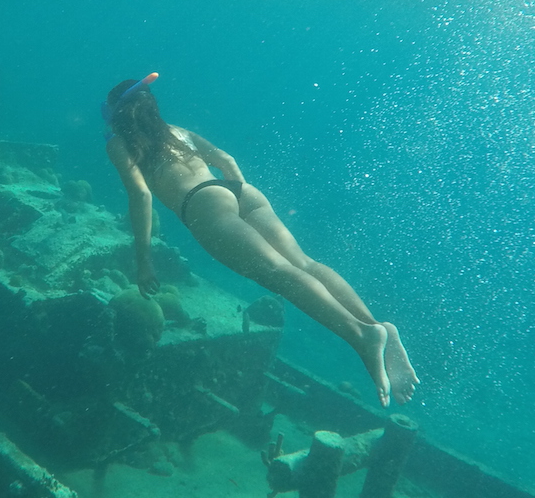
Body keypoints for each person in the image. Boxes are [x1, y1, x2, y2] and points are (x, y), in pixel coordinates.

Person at [102, 73, 419, 407]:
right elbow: (226, 160)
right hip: (241, 193)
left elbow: (141, 196)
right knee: (305, 264)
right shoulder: (177, 132)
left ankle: (363, 336)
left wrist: (144, 261)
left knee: (279, 273)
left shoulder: (119, 144)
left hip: (202, 204)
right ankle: (376, 325)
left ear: (118, 113)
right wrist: (233, 199)